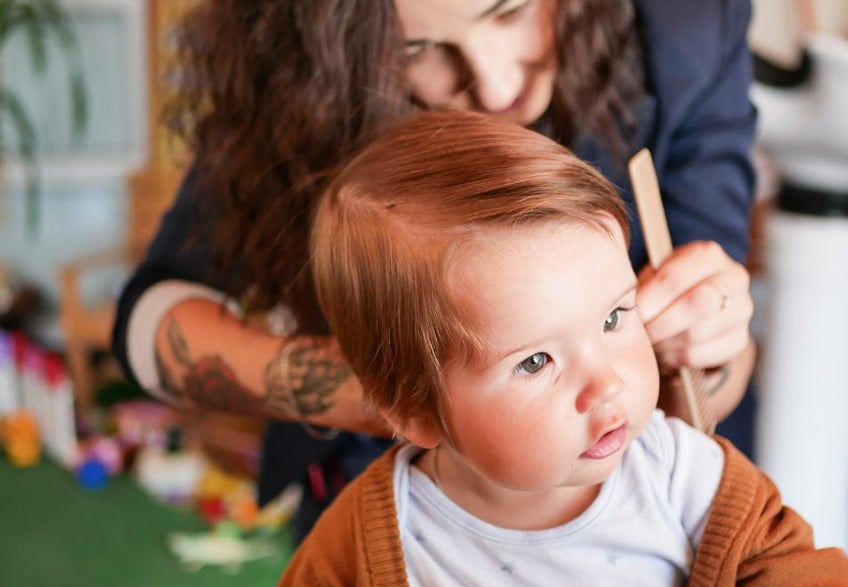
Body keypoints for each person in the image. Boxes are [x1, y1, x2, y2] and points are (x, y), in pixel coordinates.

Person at [255, 110, 848, 587]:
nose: (607, 386)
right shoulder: (377, 536)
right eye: (536, 361)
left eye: (613, 317)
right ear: (414, 409)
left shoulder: (686, 483)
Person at [111, 0, 758, 544]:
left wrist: (710, 348)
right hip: (375, 502)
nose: (496, 86)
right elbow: (150, 318)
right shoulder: (296, 87)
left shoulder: (688, 28)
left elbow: (713, 325)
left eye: (510, 9)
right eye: (418, 49)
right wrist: (375, 394)